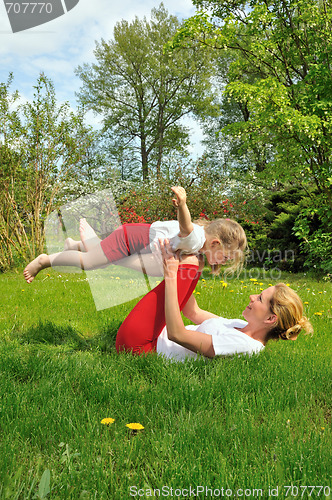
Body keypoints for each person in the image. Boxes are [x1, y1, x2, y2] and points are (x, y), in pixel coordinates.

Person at [115, 239, 313, 361]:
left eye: (260, 298)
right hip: (155, 334)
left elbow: (177, 334)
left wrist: (171, 276)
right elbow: (193, 312)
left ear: (271, 319)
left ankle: (108, 253)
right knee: (193, 262)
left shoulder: (245, 346)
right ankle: (109, 253)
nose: (252, 297)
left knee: (187, 264)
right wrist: (191, 274)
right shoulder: (240, 326)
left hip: (140, 347)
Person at [23, 186, 247, 283]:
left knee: (99, 258)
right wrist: (182, 205)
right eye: (225, 257)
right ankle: (45, 260)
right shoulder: (197, 237)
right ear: (215, 242)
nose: (223, 262)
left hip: (135, 237)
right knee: (90, 263)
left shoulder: (200, 246)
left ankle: (74, 245)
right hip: (131, 239)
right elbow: (185, 227)